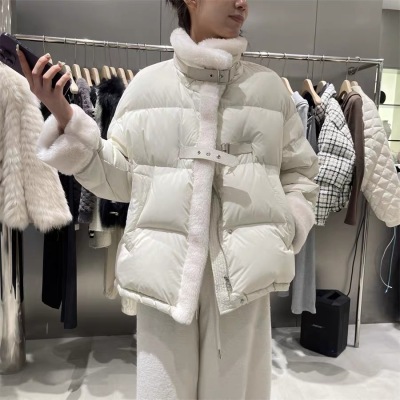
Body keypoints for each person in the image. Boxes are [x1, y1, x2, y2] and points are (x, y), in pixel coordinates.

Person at [18, 0, 319, 398]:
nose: (243, 3)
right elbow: (120, 179)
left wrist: (289, 227)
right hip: (165, 282)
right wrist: (64, 115)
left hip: (243, 285)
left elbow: (300, 173)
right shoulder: (147, 86)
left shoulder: (268, 89)